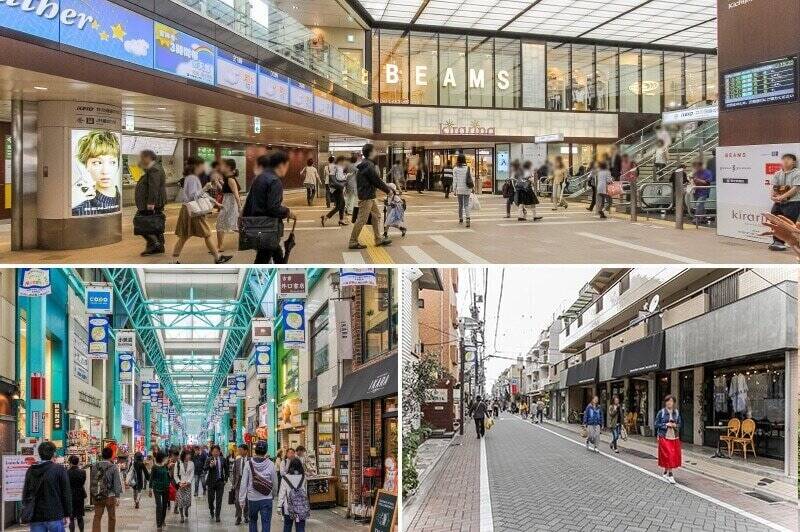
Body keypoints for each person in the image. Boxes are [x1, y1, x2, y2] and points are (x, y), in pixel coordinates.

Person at [172, 156, 232, 264]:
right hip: (193, 211)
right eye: (201, 165)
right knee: (207, 234)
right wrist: (206, 188)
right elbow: (193, 197)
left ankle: (173, 261)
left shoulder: (190, 177)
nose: (203, 167)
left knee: (185, 236)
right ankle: (217, 258)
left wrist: (215, 201)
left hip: (188, 210)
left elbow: (199, 195)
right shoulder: (193, 178)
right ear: (196, 166)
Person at [241, 151, 297, 264]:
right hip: (268, 227)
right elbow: (273, 208)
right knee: (262, 260)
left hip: (257, 226)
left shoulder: (259, 177)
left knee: (276, 253)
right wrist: (288, 212)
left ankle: (281, 268)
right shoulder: (275, 181)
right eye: (287, 166)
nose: (286, 169)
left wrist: (245, 223)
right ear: (281, 165)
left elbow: (249, 202)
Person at [349, 144, 392, 250]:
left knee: (376, 215)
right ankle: (353, 241)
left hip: (369, 195)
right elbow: (376, 180)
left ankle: (378, 239)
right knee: (362, 219)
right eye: (375, 151)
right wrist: (388, 190)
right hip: (366, 196)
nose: (376, 152)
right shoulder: (368, 165)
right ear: (371, 152)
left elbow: (375, 180)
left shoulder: (366, 164)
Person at [23, 441, 71, 532]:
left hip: (36, 516)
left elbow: (26, 493)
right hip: (55, 514)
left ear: (39, 453)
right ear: (54, 454)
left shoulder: (31, 470)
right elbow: (66, 494)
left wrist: (27, 510)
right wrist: (67, 514)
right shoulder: (59, 470)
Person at [72, 130, 121, 216]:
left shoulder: (119, 199)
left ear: (118, 164)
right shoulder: (79, 211)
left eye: (112, 162)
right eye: (97, 163)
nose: (105, 171)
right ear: (86, 165)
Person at [238, 440, 279, 532]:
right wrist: (273, 494)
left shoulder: (249, 463)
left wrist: (241, 499)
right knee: (266, 522)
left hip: (252, 499)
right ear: (266, 451)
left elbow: (243, 482)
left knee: (252, 521)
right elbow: (275, 482)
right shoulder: (271, 464)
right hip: (266, 498)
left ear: (255, 450)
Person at [134, 149, 167, 256]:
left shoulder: (154, 169)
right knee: (154, 223)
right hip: (153, 202)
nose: (141, 159)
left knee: (141, 222)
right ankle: (158, 245)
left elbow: (154, 187)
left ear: (148, 157)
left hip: (152, 203)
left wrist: (151, 203)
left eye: (142, 157)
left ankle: (155, 244)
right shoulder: (154, 167)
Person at [768, 153, 800, 251]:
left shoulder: (797, 173)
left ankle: (789, 243)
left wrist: (782, 197)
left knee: (788, 223)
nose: (785, 161)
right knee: (774, 219)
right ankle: (777, 242)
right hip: (779, 202)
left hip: (793, 202)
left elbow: (796, 188)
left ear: (794, 162)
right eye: (784, 159)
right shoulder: (777, 173)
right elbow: (774, 187)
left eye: (789, 159)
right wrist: (772, 196)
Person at [90, 447, 122, 532]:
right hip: (110, 496)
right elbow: (116, 482)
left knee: (97, 517)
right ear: (111, 456)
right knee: (112, 517)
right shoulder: (113, 467)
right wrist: (117, 496)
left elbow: (93, 480)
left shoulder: (94, 466)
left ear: (102, 455)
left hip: (98, 495)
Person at [216, 158, 243, 253]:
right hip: (227, 203)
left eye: (224, 166)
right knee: (227, 225)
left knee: (225, 224)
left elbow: (235, 194)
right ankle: (219, 246)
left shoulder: (231, 179)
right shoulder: (228, 179)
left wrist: (240, 208)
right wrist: (219, 182)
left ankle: (219, 247)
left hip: (230, 204)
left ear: (229, 167)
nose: (222, 167)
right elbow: (226, 190)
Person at [655, 395, 683, 484]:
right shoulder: (661, 412)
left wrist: (675, 425)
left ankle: (666, 471)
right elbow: (656, 424)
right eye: (667, 401)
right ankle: (670, 474)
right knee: (668, 454)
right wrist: (665, 425)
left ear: (674, 403)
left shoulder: (677, 413)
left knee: (672, 455)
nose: (669, 403)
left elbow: (680, 424)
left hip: (674, 436)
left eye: (671, 401)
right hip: (664, 436)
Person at [278, 457, 310, 532]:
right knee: (300, 527)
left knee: (287, 526)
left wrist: (279, 506)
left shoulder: (285, 478)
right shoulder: (303, 477)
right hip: (301, 508)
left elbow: (282, 493)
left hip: (288, 508)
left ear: (290, 466)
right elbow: (305, 492)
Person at [321, 156, 348, 226]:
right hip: (337, 188)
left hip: (337, 187)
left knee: (342, 204)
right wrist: (345, 178)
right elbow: (336, 177)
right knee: (339, 205)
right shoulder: (337, 167)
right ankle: (326, 217)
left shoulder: (338, 167)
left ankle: (341, 220)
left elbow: (336, 176)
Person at [204, 445, 228, 522]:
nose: (216, 453)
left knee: (219, 500)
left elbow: (226, 470)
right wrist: (210, 466)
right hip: (211, 482)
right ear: (211, 452)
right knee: (210, 500)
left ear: (219, 452)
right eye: (214, 451)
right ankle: (211, 510)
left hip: (220, 482)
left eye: (217, 451)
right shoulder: (208, 459)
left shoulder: (223, 459)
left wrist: (225, 480)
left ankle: (217, 515)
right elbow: (204, 469)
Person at [149, 451, 171, 532]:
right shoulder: (154, 467)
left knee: (165, 505)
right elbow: (151, 478)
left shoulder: (165, 466)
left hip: (165, 488)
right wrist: (150, 489)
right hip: (157, 488)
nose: (165, 458)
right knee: (159, 506)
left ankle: (163, 520)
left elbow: (168, 476)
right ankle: (158, 525)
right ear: (161, 458)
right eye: (164, 457)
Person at [452, 154, 474, 228]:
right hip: (467, 188)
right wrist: (472, 188)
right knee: (466, 205)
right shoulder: (468, 168)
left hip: (460, 189)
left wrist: (454, 190)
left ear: (458, 160)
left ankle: (460, 218)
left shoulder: (455, 169)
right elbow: (471, 178)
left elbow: (455, 180)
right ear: (464, 160)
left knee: (460, 205)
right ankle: (468, 219)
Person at [173, 450, 194, 523]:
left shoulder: (191, 463)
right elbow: (175, 475)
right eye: (188, 454)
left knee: (188, 501)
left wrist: (188, 482)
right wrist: (179, 483)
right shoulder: (178, 463)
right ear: (184, 455)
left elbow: (192, 474)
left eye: (189, 455)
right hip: (180, 485)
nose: (189, 456)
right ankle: (181, 516)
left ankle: (186, 509)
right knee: (181, 501)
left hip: (188, 485)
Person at [232, 444, 250, 526]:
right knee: (237, 501)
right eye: (238, 450)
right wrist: (233, 484)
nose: (239, 451)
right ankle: (238, 517)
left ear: (246, 451)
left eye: (240, 450)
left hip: (248, 483)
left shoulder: (251, 461)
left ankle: (246, 515)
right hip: (238, 483)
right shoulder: (237, 461)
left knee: (246, 500)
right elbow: (234, 473)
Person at [66, 456, 86, 532]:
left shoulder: (66, 472)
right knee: (80, 516)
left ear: (70, 462)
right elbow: (83, 483)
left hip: (70, 495)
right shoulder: (83, 472)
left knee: (71, 517)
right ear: (78, 462)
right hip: (80, 495)